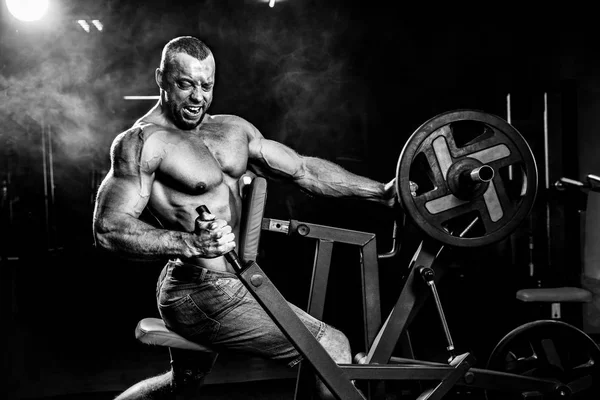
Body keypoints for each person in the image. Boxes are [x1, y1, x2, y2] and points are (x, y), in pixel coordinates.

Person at [93, 35, 397, 400]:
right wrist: (189, 242)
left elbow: (303, 170)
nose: (197, 97)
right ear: (161, 78)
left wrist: (381, 193)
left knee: (181, 386)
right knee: (329, 348)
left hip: (235, 278)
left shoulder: (233, 130)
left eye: (206, 86)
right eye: (185, 84)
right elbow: (109, 229)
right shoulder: (144, 142)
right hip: (199, 287)